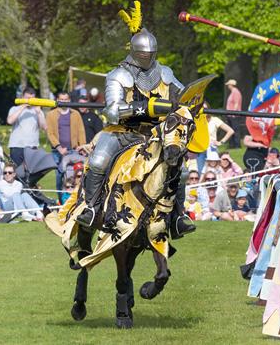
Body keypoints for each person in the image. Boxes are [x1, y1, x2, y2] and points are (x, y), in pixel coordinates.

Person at [76, 25, 195, 237]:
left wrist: (194, 102)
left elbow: (184, 97)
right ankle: (91, 209)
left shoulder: (165, 73)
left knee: (181, 171)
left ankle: (178, 217)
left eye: (150, 54)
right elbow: (112, 111)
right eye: (142, 53)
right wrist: (144, 108)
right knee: (98, 161)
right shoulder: (119, 75)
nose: (146, 57)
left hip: (155, 135)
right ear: (134, 52)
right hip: (122, 133)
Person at [46, 90, 87, 196]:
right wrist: (59, 148)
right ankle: (60, 201)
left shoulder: (75, 114)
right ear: (57, 100)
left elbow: (81, 131)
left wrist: (82, 147)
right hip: (58, 151)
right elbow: (50, 133)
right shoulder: (51, 114)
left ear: (69, 100)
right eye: (61, 99)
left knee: (75, 176)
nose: (64, 101)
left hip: (74, 149)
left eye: (66, 99)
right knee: (60, 176)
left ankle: (77, 198)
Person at [6, 87, 47, 166]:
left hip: (32, 146)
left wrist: (38, 113)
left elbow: (44, 127)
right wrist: (22, 107)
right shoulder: (14, 109)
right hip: (17, 146)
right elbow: (9, 121)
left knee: (30, 172)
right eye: (28, 98)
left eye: (32, 98)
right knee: (16, 171)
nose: (30, 100)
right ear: (22, 97)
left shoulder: (38, 111)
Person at [197, 102, 234, 172]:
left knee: (214, 172)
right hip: (200, 150)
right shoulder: (197, 121)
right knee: (201, 173)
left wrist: (221, 142)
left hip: (212, 149)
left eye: (205, 109)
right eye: (202, 109)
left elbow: (230, 131)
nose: (204, 111)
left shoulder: (214, 120)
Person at [224, 79, 243, 148]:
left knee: (235, 130)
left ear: (231, 85)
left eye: (228, 85)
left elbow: (236, 103)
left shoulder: (236, 92)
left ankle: (237, 145)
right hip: (230, 115)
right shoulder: (233, 92)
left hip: (234, 115)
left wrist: (233, 113)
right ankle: (232, 145)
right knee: (231, 130)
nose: (228, 86)